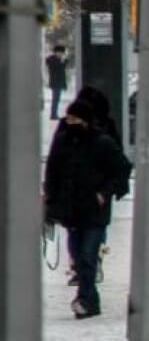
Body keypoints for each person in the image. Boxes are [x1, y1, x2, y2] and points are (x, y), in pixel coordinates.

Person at [43, 99, 132, 319]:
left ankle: (84, 298)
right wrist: (51, 201)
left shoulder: (102, 143)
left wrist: (105, 193)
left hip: (94, 211)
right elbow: (53, 173)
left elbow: (121, 168)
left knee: (88, 255)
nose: (69, 122)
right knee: (77, 257)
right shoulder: (64, 142)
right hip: (72, 211)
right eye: (68, 118)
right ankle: (90, 300)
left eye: (74, 118)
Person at [45, 45, 68, 119]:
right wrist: (62, 62)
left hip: (59, 82)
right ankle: (53, 114)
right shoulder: (52, 60)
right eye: (60, 52)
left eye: (62, 53)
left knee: (57, 99)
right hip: (55, 82)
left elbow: (62, 70)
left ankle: (54, 114)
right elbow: (57, 68)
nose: (61, 54)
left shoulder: (60, 60)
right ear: (56, 52)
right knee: (55, 99)